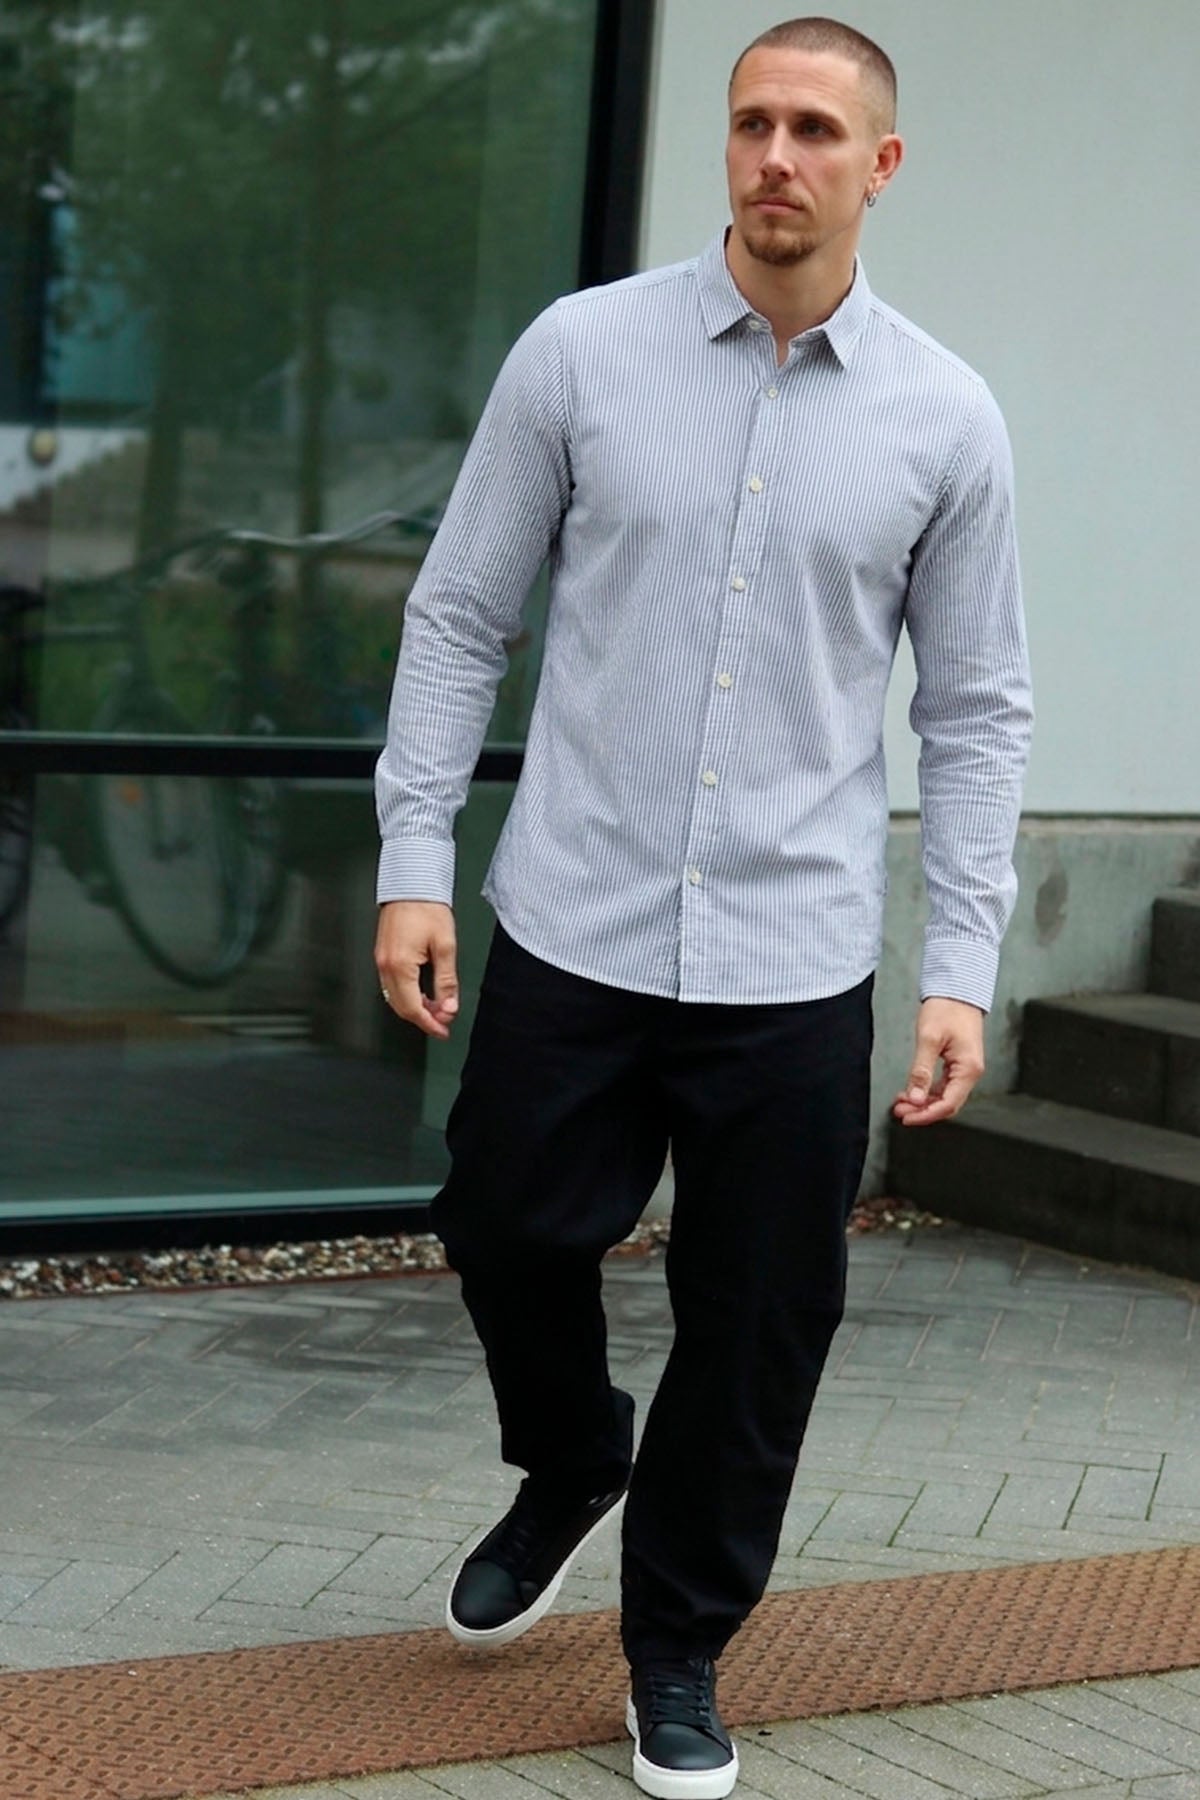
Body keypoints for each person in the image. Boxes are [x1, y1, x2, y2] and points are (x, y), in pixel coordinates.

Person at [374, 16, 1032, 1797]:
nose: (775, 156)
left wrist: (960, 967)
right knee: (504, 1225)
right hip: (576, 919)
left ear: (880, 165)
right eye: (752, 121)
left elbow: (977, 712)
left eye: (815, 128)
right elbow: (460, 613)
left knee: (756, 1329)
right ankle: (574, 1453)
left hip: (793, 957)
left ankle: (676, 1648)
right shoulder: (581, 354)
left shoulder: (946, 417)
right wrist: (414, 860)